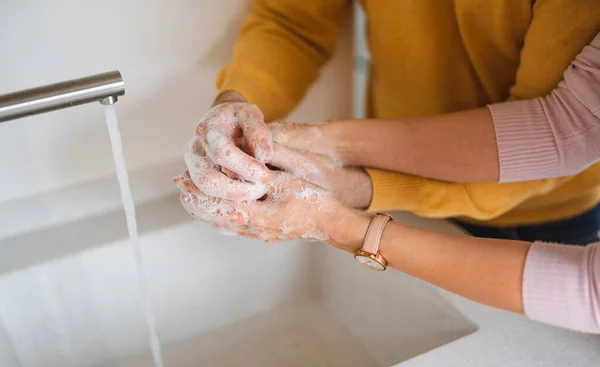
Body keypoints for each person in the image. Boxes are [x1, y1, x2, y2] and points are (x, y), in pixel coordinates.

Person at [175, 32, 600, 334]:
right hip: (397, 194)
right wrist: (320, 142)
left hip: (554, 210)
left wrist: (348, 204)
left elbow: (586, 290)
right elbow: (568, 120)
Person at [184, 0, 600, 245]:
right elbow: (294, 19)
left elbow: (553, 130)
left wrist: (355, 181)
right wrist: (237, 101)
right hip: (395, 193)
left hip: (548, 212)